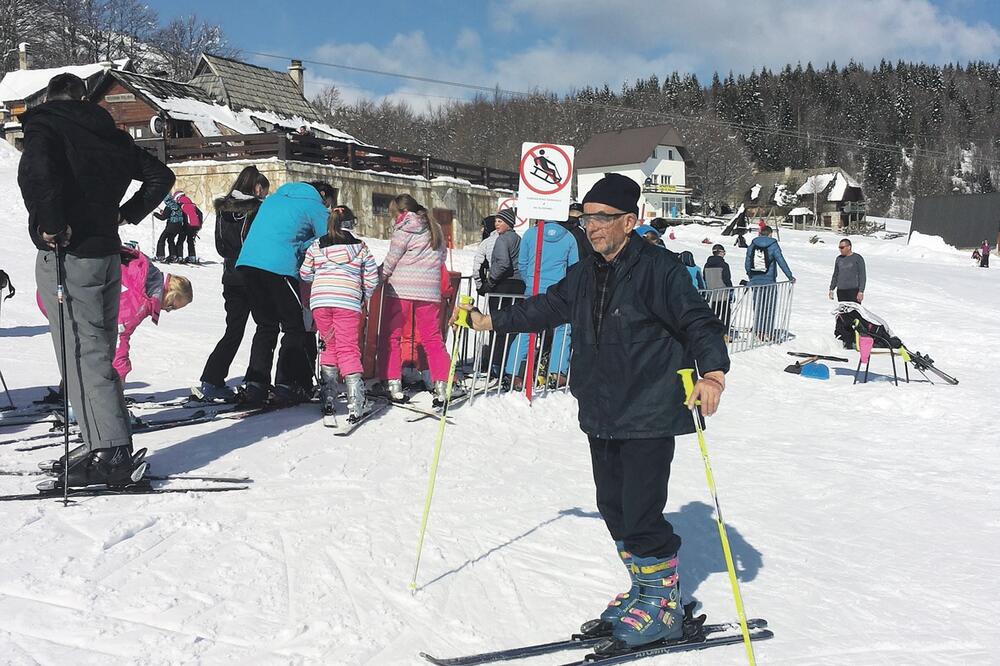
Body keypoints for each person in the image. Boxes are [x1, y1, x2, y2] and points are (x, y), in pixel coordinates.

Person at [455, 173, 729, 652]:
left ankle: (663, 604)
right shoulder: (585, 272)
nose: (591, 227)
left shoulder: (660, 270)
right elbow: (542, 309)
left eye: (602, 218)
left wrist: (713, 375)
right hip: (601, 408)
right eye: (586, 218)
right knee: (613, 507)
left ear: (630, 220)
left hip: (649, 409)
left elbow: (699, 322)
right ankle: (645, 589)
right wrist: (487, 320)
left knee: (642, 512)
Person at [18, 72, 174, 487]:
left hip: (70, 254)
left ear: (50, 97)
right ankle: (99, 440)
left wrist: (51, 224)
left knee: (80, 352)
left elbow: (37, 175)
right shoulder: (112, 135)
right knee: (97, 349)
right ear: (85, 98)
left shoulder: (46, 124)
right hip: (107, 255)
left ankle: (111, 451)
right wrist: (126, 212)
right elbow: (162, 177)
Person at [235, 181, 330, 406]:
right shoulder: (315, 206)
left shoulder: (273, 200)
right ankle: (286, 384)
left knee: (265, 325)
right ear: (323, 194)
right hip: (280, 267)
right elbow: (327, 238)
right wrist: (302, 244)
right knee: (293, 326)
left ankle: (255, 384)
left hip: (247, 263)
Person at [193, 166, 270, 401]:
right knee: (265, 327)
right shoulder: (257, 209)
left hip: (230, 274)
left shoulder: (223, 208)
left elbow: (220, 245)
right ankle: (256, 381)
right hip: (253, 273)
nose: (265, 195)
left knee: (234, 329)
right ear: (257, 187)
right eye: (264, 190)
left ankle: (211, 378)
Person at [299, 207, 379, 425]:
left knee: (328, 345)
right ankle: (356, 400)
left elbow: (305, 273)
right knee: (348, 348)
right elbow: (372, 277)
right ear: (351, 224)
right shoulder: (360, 248)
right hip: (348, 302)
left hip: (321, 301)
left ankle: (328, 398)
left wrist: (323, 277)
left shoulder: (316, 245)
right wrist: (363, 295)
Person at [373, 194, 451, 405]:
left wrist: (377, 278)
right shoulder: (435, 228)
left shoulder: (404, 227)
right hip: (429, 291)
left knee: (391, 336)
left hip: (401, 290)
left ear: (401, 212)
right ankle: (441, 385)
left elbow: (392, 258)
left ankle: (392, 383)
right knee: (433, 338)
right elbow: (442, 257)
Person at [504, 219, 579, 387]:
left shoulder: (531, 234)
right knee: (563, 329)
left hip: (534, 288)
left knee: (526, 328)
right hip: (558, 291)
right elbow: (574, 268)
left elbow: (522, 264)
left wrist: (530, 281)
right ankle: (557, 372)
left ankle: (513, 372)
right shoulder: (569, 237)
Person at [114, 246, 192, 381]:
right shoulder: (142, 300)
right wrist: (121, 372)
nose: (166, 310)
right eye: (170, 307)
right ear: (170, 294)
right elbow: (118, 333)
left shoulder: (144, 274)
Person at [745, 225, 794, 339]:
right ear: (770, 234)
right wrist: (790, 276)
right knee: (769, 307)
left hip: (755, 280)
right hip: (769, 281)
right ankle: (767, 332)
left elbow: (747, 263)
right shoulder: (773, 245)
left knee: (758, 306)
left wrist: (751, 276)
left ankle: (758, 331)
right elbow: (781, 261)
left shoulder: (752, 245)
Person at [704, 244, 734, 333]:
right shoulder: (724, 264)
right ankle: (724, 333)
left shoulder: (707, 264)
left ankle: (712, 331)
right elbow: (726, 279)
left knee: (714, 314)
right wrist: (731, 291)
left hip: (712, 294)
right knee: (725, 314)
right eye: (724, 252)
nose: (724, 254)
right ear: (720, 252)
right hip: (723, 293)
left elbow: (704, 278)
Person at [828, 238, 866, 303]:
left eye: (842, 247)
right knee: (843, 312)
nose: (840, 249)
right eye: (839, 247)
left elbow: (862, 276)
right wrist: (831, 289)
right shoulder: (839, 259)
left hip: (853, 291)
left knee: (854, 312)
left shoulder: (857, 258)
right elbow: (835, 275)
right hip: (841, 291)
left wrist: (861, 291)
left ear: (849, 247)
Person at [153, 193, 184, 262]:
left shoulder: (168, 206)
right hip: (178, 226)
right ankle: (173, 256)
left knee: (162, 240)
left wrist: (155, 214)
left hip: (171, 226)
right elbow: (171, 214)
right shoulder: (177, 205)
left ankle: (160, 256)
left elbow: (163, 217)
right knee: (170, 240)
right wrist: (163, 212)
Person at [472, 214, 499, 295]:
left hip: (493, 285)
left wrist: (480, 287)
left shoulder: (486, 243)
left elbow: (477, 267)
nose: (481, 230)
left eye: (483, 227)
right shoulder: (514, 239)